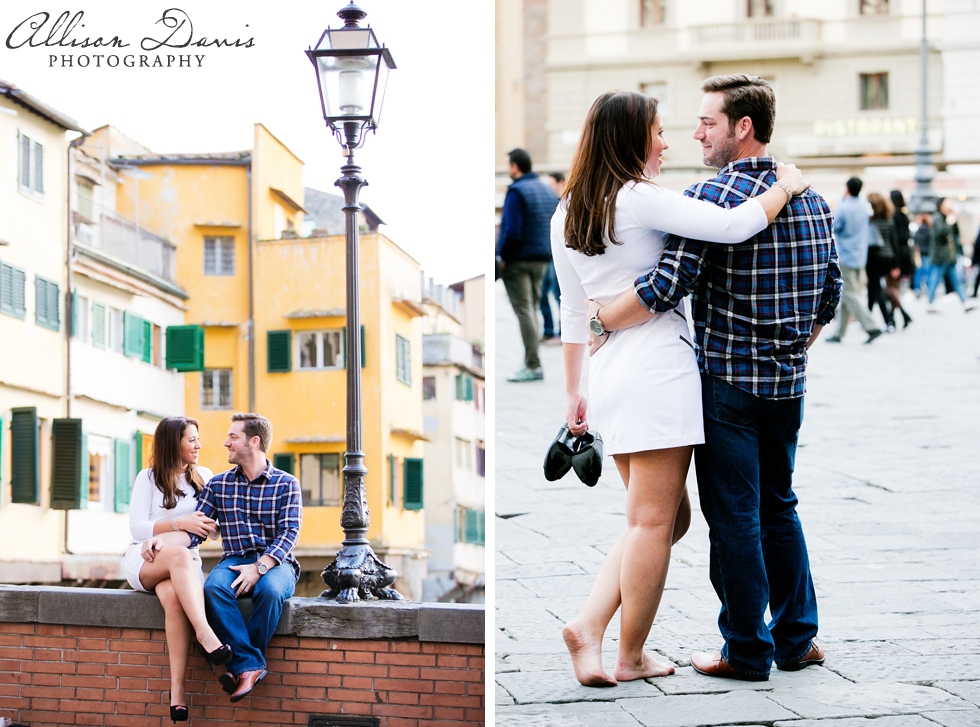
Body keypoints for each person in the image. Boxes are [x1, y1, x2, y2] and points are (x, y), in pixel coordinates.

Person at [552, 86, 808, 687]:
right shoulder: (639, 198)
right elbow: (737, 224)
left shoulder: (567, 210)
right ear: (632, 137)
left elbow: (571, 311)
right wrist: (785, 185)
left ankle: (591, 625)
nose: (668, 142)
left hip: (611, 374)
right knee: (651, 522)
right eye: (660, 131)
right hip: (657, 369)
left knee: (668, 519)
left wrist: (573, 393)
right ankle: (624, 651)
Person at [142, 413, 302, 703]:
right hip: (233, 559)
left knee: (270, 590)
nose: (225, 442)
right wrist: (160, 540)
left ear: (253, 442)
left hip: (276, 561)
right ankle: (249, 667)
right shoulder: (219, 484)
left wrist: (259, 567)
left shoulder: (287, 483)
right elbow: (196, 531)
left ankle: (242, 667)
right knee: (213, 589)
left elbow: (289, 534)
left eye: (233, 437)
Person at [127, 417, 231, 722]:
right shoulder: (148, 478)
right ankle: (205, 634)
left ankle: (177, 694)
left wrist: (165, 537)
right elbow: (136, 529)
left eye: (198, 439)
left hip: (180, 558)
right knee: (180, 557)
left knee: (173, 597)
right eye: (191, 440)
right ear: (175, 444)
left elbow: (211, 530)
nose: (198, 445)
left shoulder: (206, 477)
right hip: (145, 558)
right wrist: (177, 524)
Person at [496, 148, 559, 381]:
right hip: (542, 258)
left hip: (519, 260)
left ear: (515, 166)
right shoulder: (546, 190)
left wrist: (502, 256)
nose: (507, 168)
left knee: (525, 311)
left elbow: (511, 230)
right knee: (532, 309)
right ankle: (532, 362)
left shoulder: (516, 191)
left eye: (507, 164)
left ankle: (533, 365)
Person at [825, 177, 882, 343]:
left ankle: (871, 326)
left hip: (845, 255)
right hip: (860, 255)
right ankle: (839, 333)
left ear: (847, 188)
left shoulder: (843, 206)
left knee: (850, 294)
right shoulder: (864, 206)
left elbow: (834, 227)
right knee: (847, 295)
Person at [867, 192, 910, 329]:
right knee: (888, 289)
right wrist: (896, 265)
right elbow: (894, 242)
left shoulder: (870, 221)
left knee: (877, 289)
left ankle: (889, 321)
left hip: (874, 258)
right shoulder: (889, 219)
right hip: (890, 258)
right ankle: (901, 316)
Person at [927, 197, 973, 313]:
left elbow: (956, 234)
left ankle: (965, 303)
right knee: (936, 279)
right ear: (941, 204)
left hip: (950, 255)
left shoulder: (950, 217)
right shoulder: (937, 218)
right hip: (941, 256)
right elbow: (940, 234)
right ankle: (930, 303)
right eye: (948, 203)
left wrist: (954, 220)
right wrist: (949, 222)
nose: (950, 205)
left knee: (957, 280)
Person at [540, 171, 566, 345]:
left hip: (561, 256)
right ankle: (549, 331)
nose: (548, 189)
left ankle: (563, 333)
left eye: (551, 185)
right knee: (543, 294)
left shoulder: (565, 204)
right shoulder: (549, 203)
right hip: (547, 255)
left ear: (561, 183)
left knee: (559, 294)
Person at [890, 190, 915, 291]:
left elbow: (895, 238)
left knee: (892, 285)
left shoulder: (893, 217)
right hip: (905, 250)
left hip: (897, 252)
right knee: (897, 284)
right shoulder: (905, 216)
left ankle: (899, 306)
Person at [913, 212, 932, 295]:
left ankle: (917, 289)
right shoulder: (929, 231)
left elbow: (915, 242)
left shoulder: (918, 231)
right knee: (928, 273)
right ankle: (929, 289)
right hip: (927, 253)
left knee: (918, 273)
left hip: (919, 253)